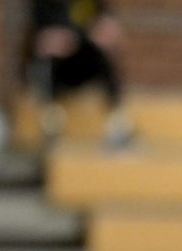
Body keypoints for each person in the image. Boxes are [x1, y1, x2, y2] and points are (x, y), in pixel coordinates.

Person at [25, 0, 134, 148]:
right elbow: (34, 40)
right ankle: (51, 122)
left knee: (104, 54)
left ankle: (117, 123)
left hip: (84, 60)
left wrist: (104, 32)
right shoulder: (44, 5)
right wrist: (51, 39)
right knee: (49, 58)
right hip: (58, 68)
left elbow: (107, 26)